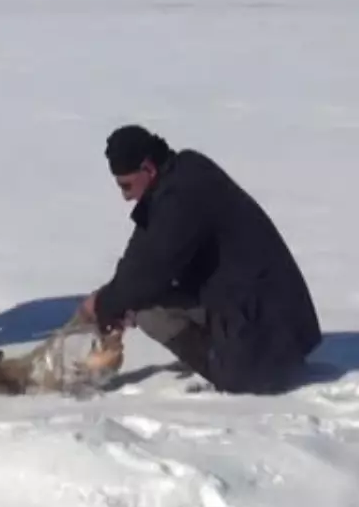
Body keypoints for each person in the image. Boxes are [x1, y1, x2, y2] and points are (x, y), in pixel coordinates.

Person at [79, 124, 321, 394]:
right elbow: (143, 253)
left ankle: (230, 367)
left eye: (127, 185)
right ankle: (231, 353)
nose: (125, 196)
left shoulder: (180, 198)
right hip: (279, 321)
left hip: (266, 336)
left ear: (148, 169)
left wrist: (105, 304)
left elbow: (148, 273)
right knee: (139, 299)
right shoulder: (184, 173)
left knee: (146, 309)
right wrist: (112, 298)